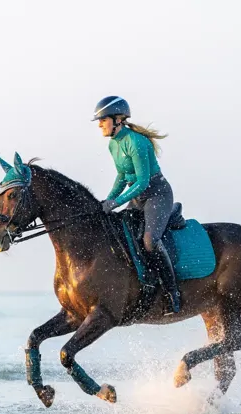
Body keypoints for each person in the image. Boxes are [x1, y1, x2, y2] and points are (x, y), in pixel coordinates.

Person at [93, 95, 181, 315]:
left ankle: (172, 294)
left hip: (157, 194)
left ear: (118, 119)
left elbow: (142, 182)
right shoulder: (113, 145)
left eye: (103, 120)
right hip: (137, 197)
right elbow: (122, 176)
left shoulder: (136, 142)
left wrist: (117, 202)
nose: (100, 125)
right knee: (122, 233)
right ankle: (144, 282)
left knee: (150, 240)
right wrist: (108, 200)